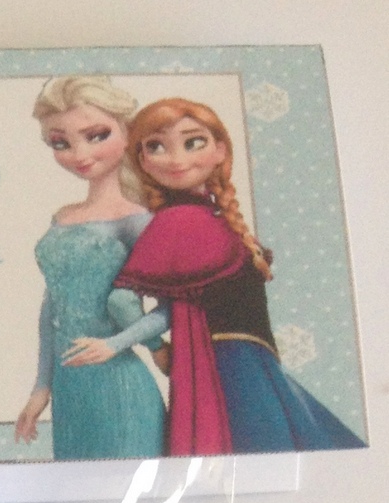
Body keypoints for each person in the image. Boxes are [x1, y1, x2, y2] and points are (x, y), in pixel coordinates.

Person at [115, 97, 363, 454]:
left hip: (247, 361)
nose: (177, 159)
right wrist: (157, 349)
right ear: (142, 161)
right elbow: (122, 299)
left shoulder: (207, 216)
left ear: (220, 149)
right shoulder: (177, 220)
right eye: (156, 147)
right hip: (226, 365)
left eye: (192, 142)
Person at [15, 75, 168, 461]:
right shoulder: (63, 217)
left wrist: (115, 344)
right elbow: (54, 306)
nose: (80, 154)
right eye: (61, 143)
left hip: (120, 385)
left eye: (97, 136)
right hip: (70, 389)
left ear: (127, 132)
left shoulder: (137, 221)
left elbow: (172, 308)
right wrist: (41, 388)